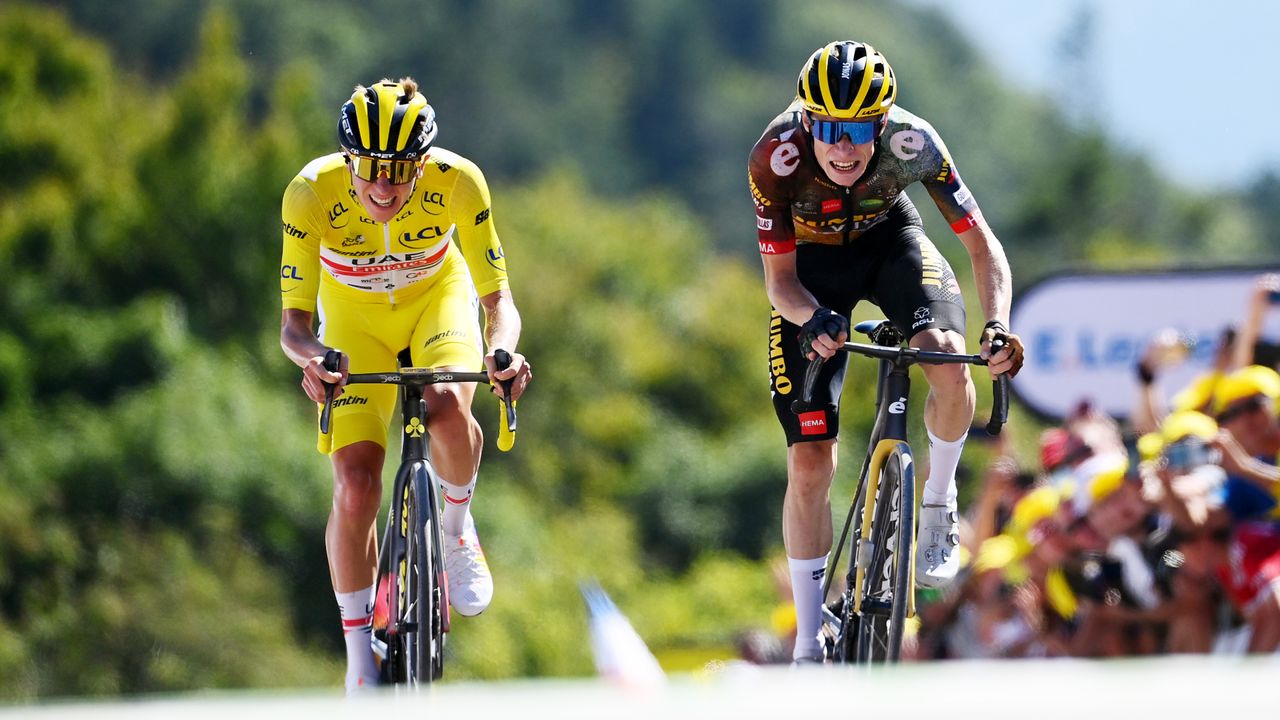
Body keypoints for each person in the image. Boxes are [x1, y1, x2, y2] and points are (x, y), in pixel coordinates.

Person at [748, 40, 1024, 662]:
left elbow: (982, 246)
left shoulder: (915, 142)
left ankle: (938, 498)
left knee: (948, 357)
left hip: (892, 243)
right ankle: (809, 641)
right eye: (829, 128)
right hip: (812, 274)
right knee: (810, 460)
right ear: (807, 121)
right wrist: (814, 318)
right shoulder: (775, 158)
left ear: (883, 123)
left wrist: (999, 326)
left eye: (859, 129)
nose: (843, 146)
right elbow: (781, 283)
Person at [277, 77, 532, 691]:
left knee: (446, 405)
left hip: (436, 304)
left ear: (422, 164)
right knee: (357, 482)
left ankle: (455, 527)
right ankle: (359, 657)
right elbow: (292, 327)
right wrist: (314, 359)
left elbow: (499, 300)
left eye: (399, 171)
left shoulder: (458, 181)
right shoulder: (310, 193)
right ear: (348, 161)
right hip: (354, 325)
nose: (384, 187)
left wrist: (503, 351)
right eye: (370, 170)